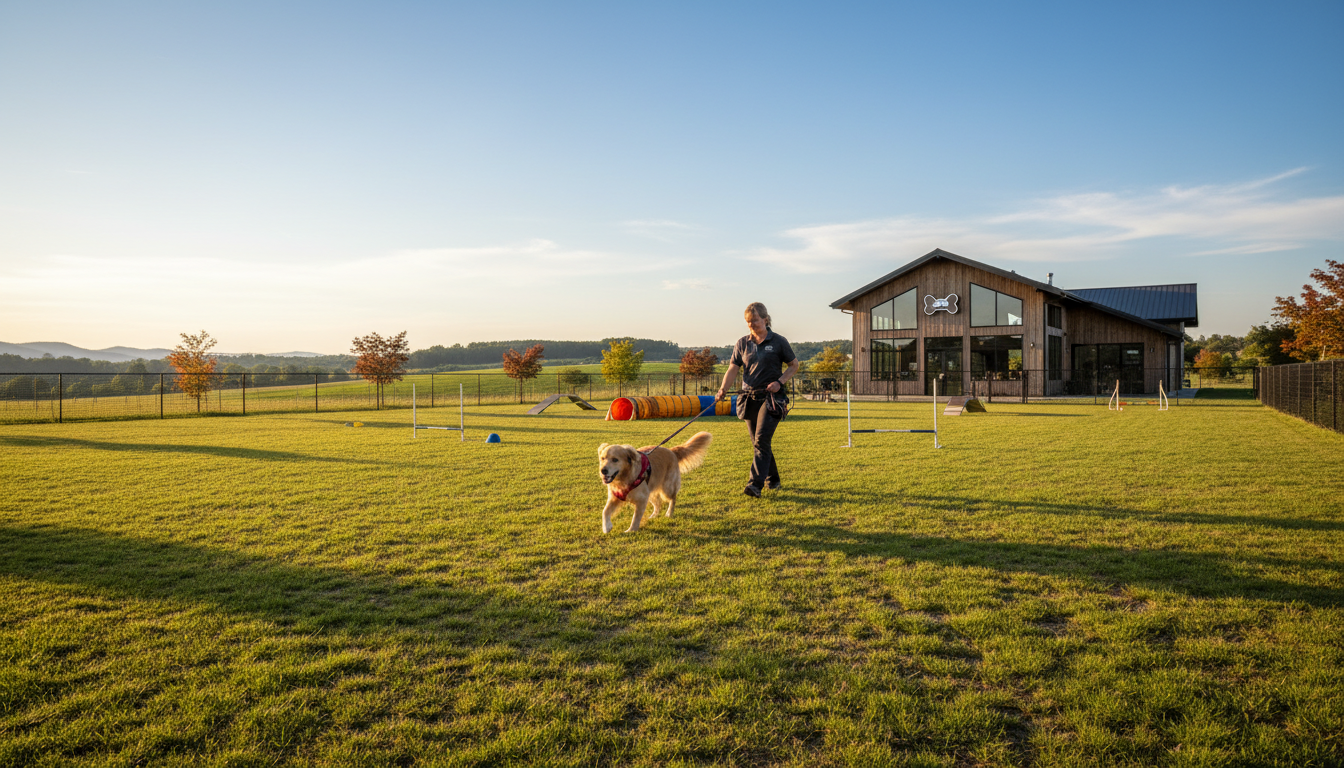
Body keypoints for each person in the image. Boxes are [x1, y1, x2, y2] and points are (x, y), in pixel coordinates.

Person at [716, 302, 799, 497]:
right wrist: (722, 389)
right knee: (759, 443)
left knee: (761, 440)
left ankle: (754, 485)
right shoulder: (742, 343)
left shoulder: (778, 341)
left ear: (765, 319)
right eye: (748, 321)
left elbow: (794, 365)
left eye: (754, 320)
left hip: (772, 398)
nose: (751, 324)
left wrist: (779, 382)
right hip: (749, 397)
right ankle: (773, 479)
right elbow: (733, 368)